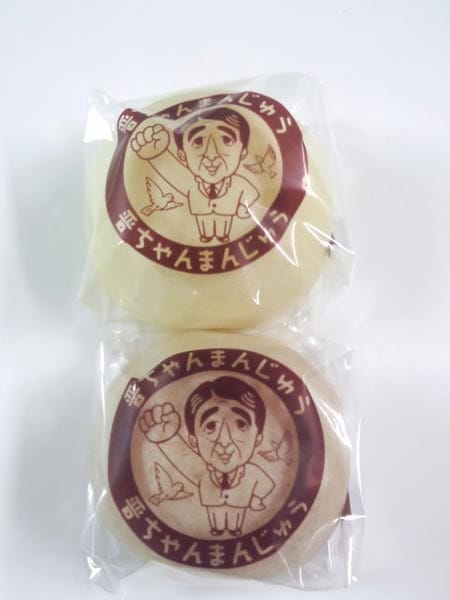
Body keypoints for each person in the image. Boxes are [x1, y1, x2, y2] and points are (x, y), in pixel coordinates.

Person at [139, 376, 274, 537]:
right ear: (193, 441)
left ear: (258, 438)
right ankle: (217, 528)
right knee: (215, 515)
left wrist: (256, 497)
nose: (224, 441)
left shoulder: (252, 473)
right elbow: (183, 460)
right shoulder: (200, 469)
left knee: (236, 518)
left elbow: (267, 484)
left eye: (240, 424)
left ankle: (235, 528)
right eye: (210, 426)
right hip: (212, 504)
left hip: (240, 505)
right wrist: (167, 439)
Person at [130, 108, 260, 243]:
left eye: (226, 140)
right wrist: (154, 155)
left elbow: (253, 192)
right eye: (198, 142)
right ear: (182, 155)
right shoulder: (189, 182)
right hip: (201, 212)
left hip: (227, 213)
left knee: (224, 221)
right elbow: (172, 175)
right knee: (204, 222)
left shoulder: (239, 182)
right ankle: (206, 235)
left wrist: (243, 206)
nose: (211, 155)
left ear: (243, 153)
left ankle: (223, 235)